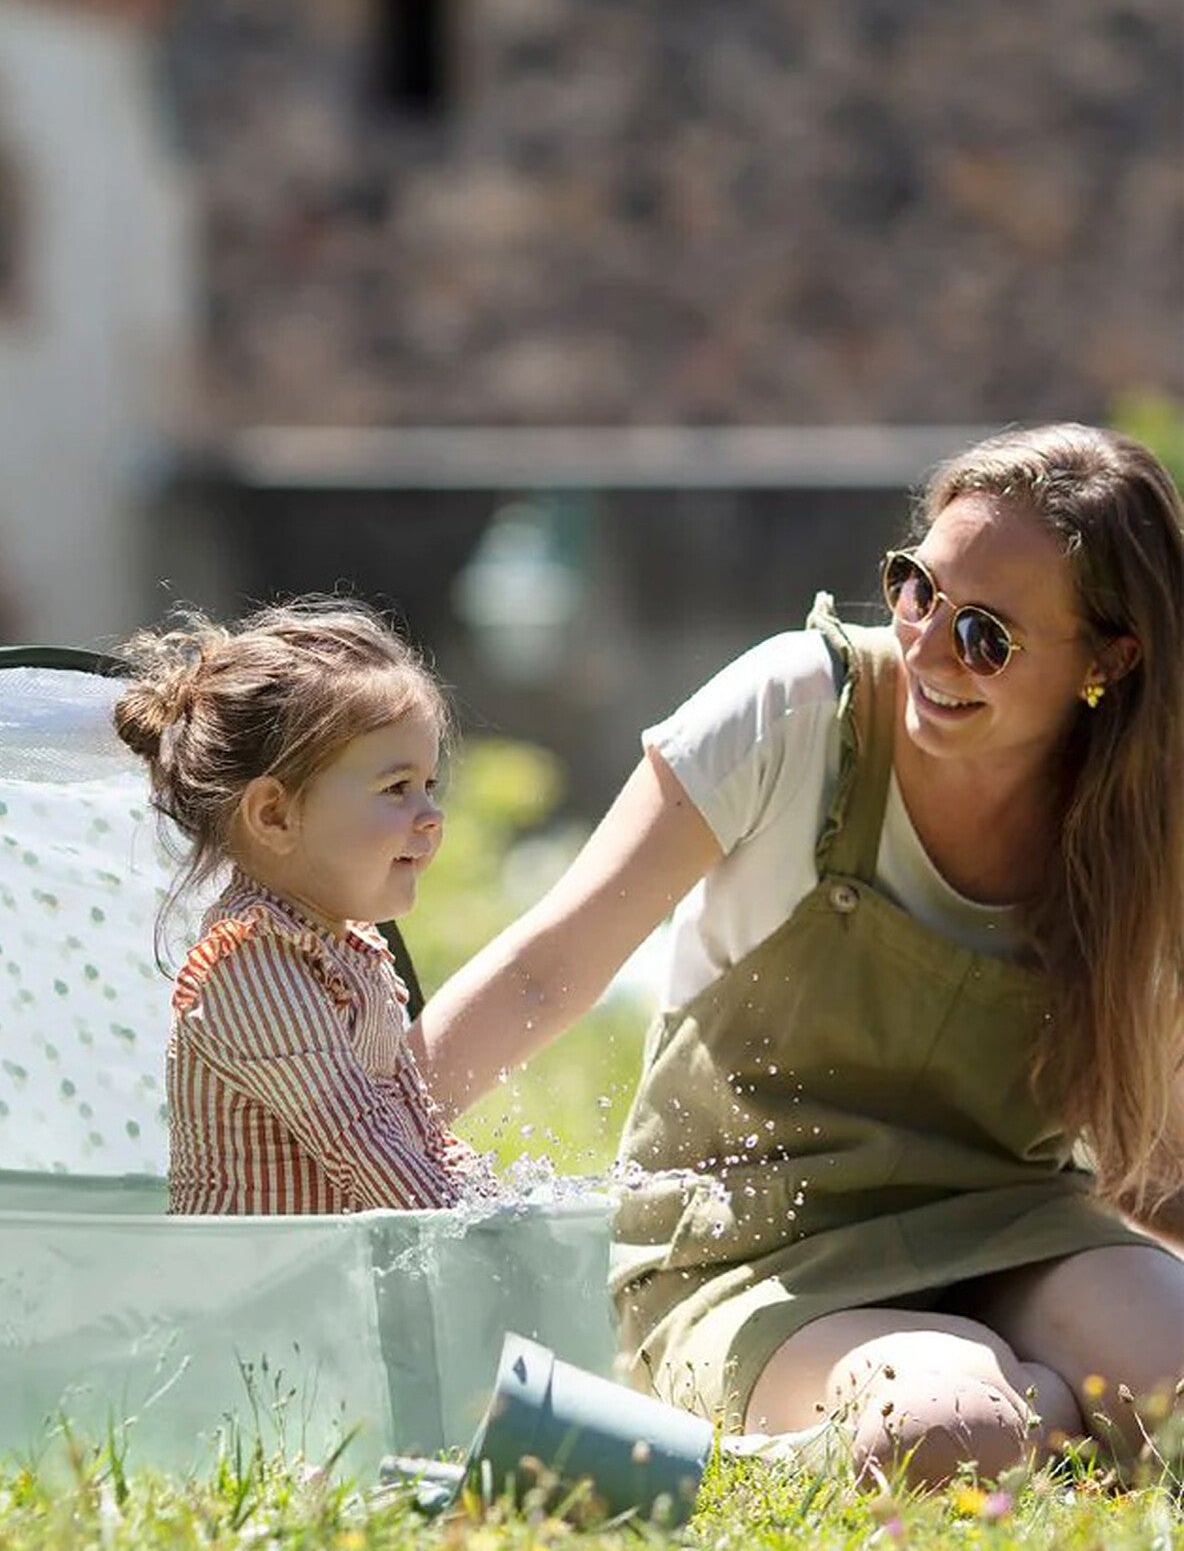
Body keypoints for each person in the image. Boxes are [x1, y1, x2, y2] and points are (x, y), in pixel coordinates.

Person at [411, 424, 1184, 1486]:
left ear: (1107, 660)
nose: (925, 643)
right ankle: (998, 1416)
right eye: (915, 588)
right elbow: (549, 966)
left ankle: (1028, 1407)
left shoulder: (1144, 825)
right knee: (951, 1438)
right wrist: (355, 1146)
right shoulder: (794, 710)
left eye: (986, 636)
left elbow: (1157, 1154)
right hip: (753, 1256)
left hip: (1016, 1228)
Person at [114, 597, 494, 1216]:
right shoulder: (249, 971)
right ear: (274, 815)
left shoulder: (349, 950)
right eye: (397, 789)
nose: (431, 816)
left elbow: (414, 1129)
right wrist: (492, 1239)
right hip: (254, 1302)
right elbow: (366, 1146)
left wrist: (507, 1201)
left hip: (322, 1293)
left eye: (430, 786)